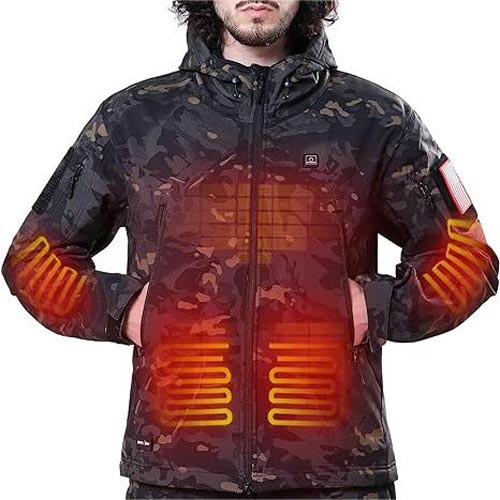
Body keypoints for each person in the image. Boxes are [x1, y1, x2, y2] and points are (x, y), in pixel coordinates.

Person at [2, 1, 498, 499]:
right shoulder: (135, 120)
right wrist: (126, 309)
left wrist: (375, 307)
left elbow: (469, 259)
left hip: (335, 476)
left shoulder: (375, 120)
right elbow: (34, 258)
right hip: (178, 474)